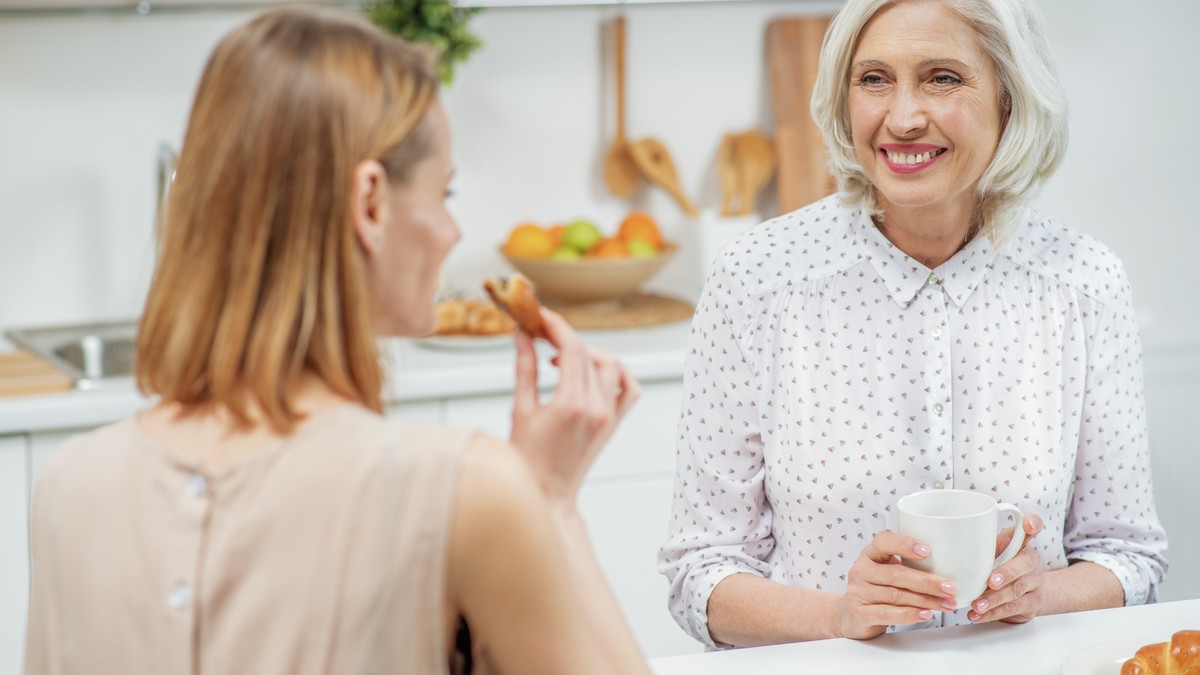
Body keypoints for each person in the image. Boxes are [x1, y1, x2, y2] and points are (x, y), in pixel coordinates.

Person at [24, 7, 651, 674]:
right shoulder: (463, 491)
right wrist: (551, 504)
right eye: (446, 193)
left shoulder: (70, 485)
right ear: (371, 203)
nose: (452, 233)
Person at [658, 0, 1168, 649]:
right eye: (874, 79)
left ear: (1011, 99)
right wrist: (840, 615)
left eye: (942, 78)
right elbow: (699, 573)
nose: (901, 117)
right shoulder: (758, 277)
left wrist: (1041, 593)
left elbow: (1129, 555)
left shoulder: (1083, 280)